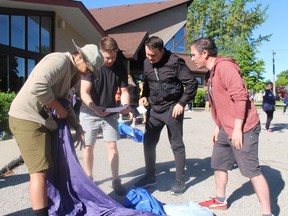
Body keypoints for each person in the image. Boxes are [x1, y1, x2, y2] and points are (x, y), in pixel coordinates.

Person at [8, 40, 102, 216]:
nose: (89, 73)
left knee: (48, 169)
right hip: (26, 119)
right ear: (79, 57)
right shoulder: (59, 61)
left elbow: (64, 103)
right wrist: (57, 108)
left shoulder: (71, 72)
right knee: (39, 172)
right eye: (89, 68)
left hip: (41, 121)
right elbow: (38, 86)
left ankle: (51, 207)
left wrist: (77, 126)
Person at [190, 37, 273, 216]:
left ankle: (267, 213)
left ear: (204, 53)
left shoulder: (225, 67)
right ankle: (220, 201)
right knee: (219, 164)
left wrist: (237, 129)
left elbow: (240, 97)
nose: (192, 58)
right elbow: (221, 104)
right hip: (225, 127)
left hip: (244, 127)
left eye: (193, 54)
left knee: (252, 171)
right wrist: (217, 126)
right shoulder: (211, 74)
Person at [134, 36, 198, 195]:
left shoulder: (175, 62)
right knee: (148, 142)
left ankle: (180, 180)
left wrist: (181, 103)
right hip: (155, 110)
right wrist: (144, 95)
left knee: (176, 144)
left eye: (153, 55)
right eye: (147, 55)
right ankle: (150, 176)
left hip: (172, 108)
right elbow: (147, 82)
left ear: (162, 51)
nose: (150, 58)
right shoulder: (146, 62)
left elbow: (192, 83)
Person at [79, 36, 130, 196]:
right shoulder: (92, 65)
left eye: (113, 56)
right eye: (107, 57)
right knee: (88, 146)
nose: (110, 60)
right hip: (89, 111)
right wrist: (95, 108)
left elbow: (125, 91)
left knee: (112, 146)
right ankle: (89, 179)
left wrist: (125, 106)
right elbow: (83, 92)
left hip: (110, 112)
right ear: (100, 52)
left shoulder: (120, 67)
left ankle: (116, 180)